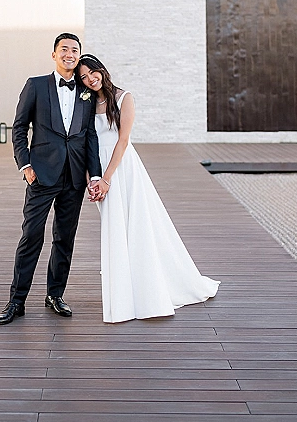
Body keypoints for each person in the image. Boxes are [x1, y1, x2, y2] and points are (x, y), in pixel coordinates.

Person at [77, 54, 220, 324]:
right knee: (115, 228)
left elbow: (123, 140)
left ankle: (148, 288)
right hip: (99, 170)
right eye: (83, 77)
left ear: (102, 70)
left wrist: (106, 178)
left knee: (137, 224)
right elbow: (87, 144)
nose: (89, 79)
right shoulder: (86, 103)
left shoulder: (124, 98)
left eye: (92, 73)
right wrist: (92, 179)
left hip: (123, 169)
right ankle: (123, 289)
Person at [0, 34, 102, 325]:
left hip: (75, 176)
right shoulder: (36, 85)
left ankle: (55, 295)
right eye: (64, 49)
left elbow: (90, 134)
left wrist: (96, 174)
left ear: (79, 56)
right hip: (41, 174)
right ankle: (17, 301)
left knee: (64, 238)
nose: (70, 54)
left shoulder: (86, 91)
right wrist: (25, 164)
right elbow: (19, 127)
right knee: (31, 235)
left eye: (74, 50)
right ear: (54, 54)